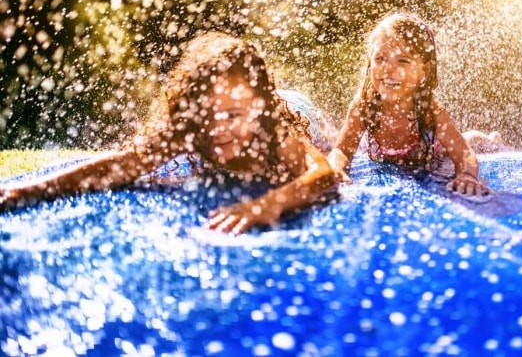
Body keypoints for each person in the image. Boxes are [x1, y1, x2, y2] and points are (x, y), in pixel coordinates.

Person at [0, 32, 339, 234]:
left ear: (258, 110)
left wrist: (266, 205)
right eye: (208, 113)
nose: (219, 129)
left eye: (233, 115)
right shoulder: (192, 129)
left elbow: (324, 173)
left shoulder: (275, 128)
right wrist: (29, 191)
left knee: (326, 140)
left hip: (296, 106)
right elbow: (124, 164)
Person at [328, 12, 503, 199]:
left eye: (402, 61)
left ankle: (492, 140)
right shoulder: (364, 106)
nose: (388, 69)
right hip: (394, 159)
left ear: (424, 71)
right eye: (380, 59)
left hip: (438, 152)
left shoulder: (428, 109)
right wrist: (336, 169)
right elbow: (341, 150)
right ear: (370, 63)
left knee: (471, 139)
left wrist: (467, 175)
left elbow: (463, 152)